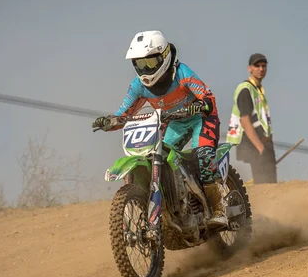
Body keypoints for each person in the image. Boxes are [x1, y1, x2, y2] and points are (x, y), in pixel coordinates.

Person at [92, 30, 227, 228]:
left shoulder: (182, 73)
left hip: (201, 118)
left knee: (204, 156)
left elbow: (207, 96)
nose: (145, 70)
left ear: (163, 57)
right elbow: (123, 113)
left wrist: (203, 103)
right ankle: (174, 204)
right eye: (140, 64)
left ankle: (219, 209)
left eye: (150, 63)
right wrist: (110, 121)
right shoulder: (139, 86)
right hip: (174, 123)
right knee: (160, 155)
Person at [226, 53, 277, 184]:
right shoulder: (246, 89)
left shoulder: (258, 90)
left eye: (264, 66)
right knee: (265, 186)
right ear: (250, 68)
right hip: (254, 144)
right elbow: (245, 120)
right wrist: (261, 148)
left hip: (261, 143)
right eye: (257, 65)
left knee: (270, 183)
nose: (261, 69)